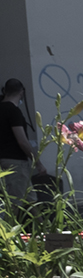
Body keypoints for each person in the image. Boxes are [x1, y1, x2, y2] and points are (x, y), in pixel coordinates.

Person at [0, 79, 45, 208]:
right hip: (15, 162)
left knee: (30, 199)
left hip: (3, 161)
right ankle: (11, 227)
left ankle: (43, 227)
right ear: (22, 92)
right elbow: (22, 141)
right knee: (16, 203)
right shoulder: (13, 111)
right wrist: (38, 163)